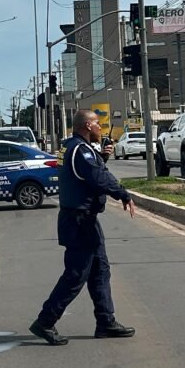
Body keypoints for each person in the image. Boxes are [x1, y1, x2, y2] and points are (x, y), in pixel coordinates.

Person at [30, 108, 136, 346]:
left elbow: (86, 175)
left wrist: (103, 158)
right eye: (97, 123)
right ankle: (45, 321)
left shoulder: (72, 147)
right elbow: (97, 178)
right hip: (79, 220)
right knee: (76, 274)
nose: (100, 127)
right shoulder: (80, 149)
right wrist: (123, 194)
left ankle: (105, 321)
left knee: (100, 270)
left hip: (84, 219)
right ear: (87, 126)